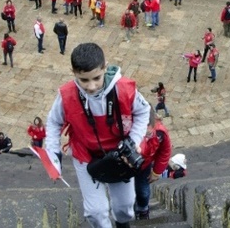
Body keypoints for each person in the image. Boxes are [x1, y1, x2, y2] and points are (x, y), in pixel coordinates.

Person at [43, 43, 151, 228]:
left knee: (125, 206)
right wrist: (53, 154)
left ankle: (122, 223)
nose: (91, 86)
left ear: (105, 67)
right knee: (95, 212)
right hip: (85, 154)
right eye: (84, 80)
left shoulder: (124, 89)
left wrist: (133, 140)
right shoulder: (66, 95)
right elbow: (54, 123)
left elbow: (143, 111)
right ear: (73, 72)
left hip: (120, 155)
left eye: (96, 78)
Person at [134, 112, 173, 220]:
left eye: (149, 134)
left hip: (143, 166)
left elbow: (165, 151)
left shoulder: (160, 132)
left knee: (143, 191)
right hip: (123, 166)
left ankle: (142, 209)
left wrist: (156, 172)